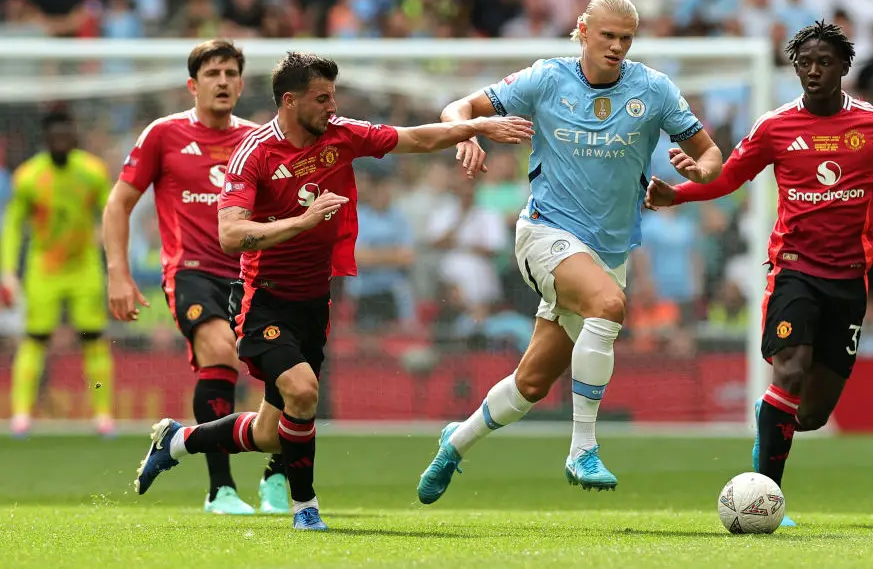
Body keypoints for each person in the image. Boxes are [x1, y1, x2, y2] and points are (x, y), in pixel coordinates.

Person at [132, 51, 533, 531]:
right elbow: (230, 234)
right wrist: (302, 221)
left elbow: (414, 138)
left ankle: (175, 442)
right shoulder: (255, 152)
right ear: (289, 100)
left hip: (313, 300)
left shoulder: (341, 134)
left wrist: (475, 129)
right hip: (264, 298)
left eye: (333, 96)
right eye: (322, 98)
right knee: (303, 392)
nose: (331, 105)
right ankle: (305, 508)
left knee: (270, 432)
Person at [645, 21, 873, 526]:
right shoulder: (775, 127)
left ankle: (770, 422)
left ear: (844, 67)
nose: (814, 71)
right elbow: (731, 176)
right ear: (795, 68)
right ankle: (765, 498)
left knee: (812, 413)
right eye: (805, 63)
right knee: (791, 369)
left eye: (824, 63)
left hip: (848, 279)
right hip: (794, 269)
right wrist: (678, 194)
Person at [417, 0, 722, 504]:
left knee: (531, 384)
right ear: (583, 30)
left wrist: (695, 177)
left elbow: (709, 152)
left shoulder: (655, 90)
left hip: (608, 253)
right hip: (544, 231)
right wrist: (466, 132)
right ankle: (583, 447)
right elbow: (459, 106)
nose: (618, 47)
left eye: (626, 38)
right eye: (608, 36)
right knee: (609, 305)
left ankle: (455, 442)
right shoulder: (546, 78)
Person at [103, 39, 289, 515]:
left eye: (230, 73)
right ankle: (220, 488)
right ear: (193, 84)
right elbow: (119, 204)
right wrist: (119, 274)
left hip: (251, 272)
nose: (223, 81)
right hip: (191, 271)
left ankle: (277, 475)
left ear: (242, 83)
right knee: (218, 351)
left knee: (287, 373)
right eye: (212, 73)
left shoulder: (258, 139)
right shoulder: (162, 135)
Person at [4, 109, 113, 438]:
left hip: (84, 268)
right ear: (47, 139)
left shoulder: (93, 172)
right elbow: (12, 226)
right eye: (56, 137)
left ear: (74, 136)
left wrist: (115, 258)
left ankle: (103, 416)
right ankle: (21, 414)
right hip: (44, 270)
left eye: (67, 135)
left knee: (92, 339)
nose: (62, 142)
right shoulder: (28, 177)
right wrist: (7, 272)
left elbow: (111, 215)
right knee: (35, 339)